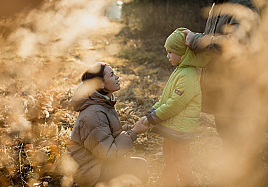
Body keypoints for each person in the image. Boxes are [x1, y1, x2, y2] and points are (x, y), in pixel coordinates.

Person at [182, 0, 261, 186]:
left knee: (238, 141)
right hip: (222, 91)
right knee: (226, 134)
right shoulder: (218, 4)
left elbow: (235, 42)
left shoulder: (244, 5)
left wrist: (196, 40)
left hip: (238, 90)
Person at [142, 28, 210, 187]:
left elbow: (175, 104)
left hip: (180, 130)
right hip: (172, 127)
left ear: (182, 52)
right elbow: (166, 99)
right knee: (168, 160)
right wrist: (150, 113)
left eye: (171, 52)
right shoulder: (180, 70)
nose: (167, 56)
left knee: (180, 160)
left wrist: (152, 118)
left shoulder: (187, 75)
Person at [66, 62, 149, 187]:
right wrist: (133, 133)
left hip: (96, 164)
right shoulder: (94, 113)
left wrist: (131, 128)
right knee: (139, 166)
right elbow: (110, 152)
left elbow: (107, 135)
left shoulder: (102, 103)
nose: (117, 77)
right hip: (90, 172)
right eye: (111, 75)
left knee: (140, 166)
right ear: (101, 84)